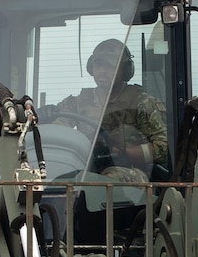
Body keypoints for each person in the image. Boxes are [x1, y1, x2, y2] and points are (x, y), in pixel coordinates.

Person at [42, 38, 168, 177]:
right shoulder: (77, 103)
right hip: (86, 169)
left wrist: (125, 153)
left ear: (125, 70)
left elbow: (165, 146)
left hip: (130, 173)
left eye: (110, 66)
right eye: (98, 65)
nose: (102, 71)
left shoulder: (140, 102)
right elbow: (56, 133)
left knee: (107, 178)